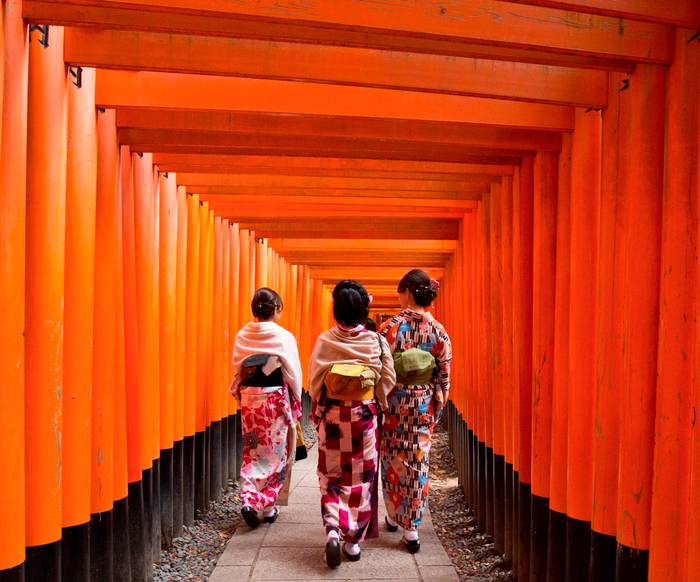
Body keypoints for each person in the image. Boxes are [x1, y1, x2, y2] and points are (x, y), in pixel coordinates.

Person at [308, 280, 396, 568]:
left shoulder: (325, 340)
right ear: (363, 310)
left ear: (336, 310)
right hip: (364, 417)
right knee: (359, 478)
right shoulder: (375, 341)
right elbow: (388, 380)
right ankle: (352, 541)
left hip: (333, 414)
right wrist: (378, 401)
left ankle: (332, 528)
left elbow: (315, 383)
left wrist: (319, 407)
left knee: (331, 474)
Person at [379, 269, 452, 553]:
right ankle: (412, 529)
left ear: (407, 292)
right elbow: (444, 375)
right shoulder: (439, 331)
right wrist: (436, 409)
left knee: (393, 460)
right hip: (422, 407)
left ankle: (393, 515)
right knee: (418, 462)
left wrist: (382, 401)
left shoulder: (389, 328)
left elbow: (379, 369)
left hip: (394, 404)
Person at [231, 288, 303, 529]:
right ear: (277, 309)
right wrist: (296, 396)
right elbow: (292, 373)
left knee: (252, 451)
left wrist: (239, 393)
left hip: (251, 398)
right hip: (274, 400)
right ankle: (269, 506)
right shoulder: (283, 337)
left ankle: (249, 500)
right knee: (275, 453)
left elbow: (238, 369)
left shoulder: (243, 334)